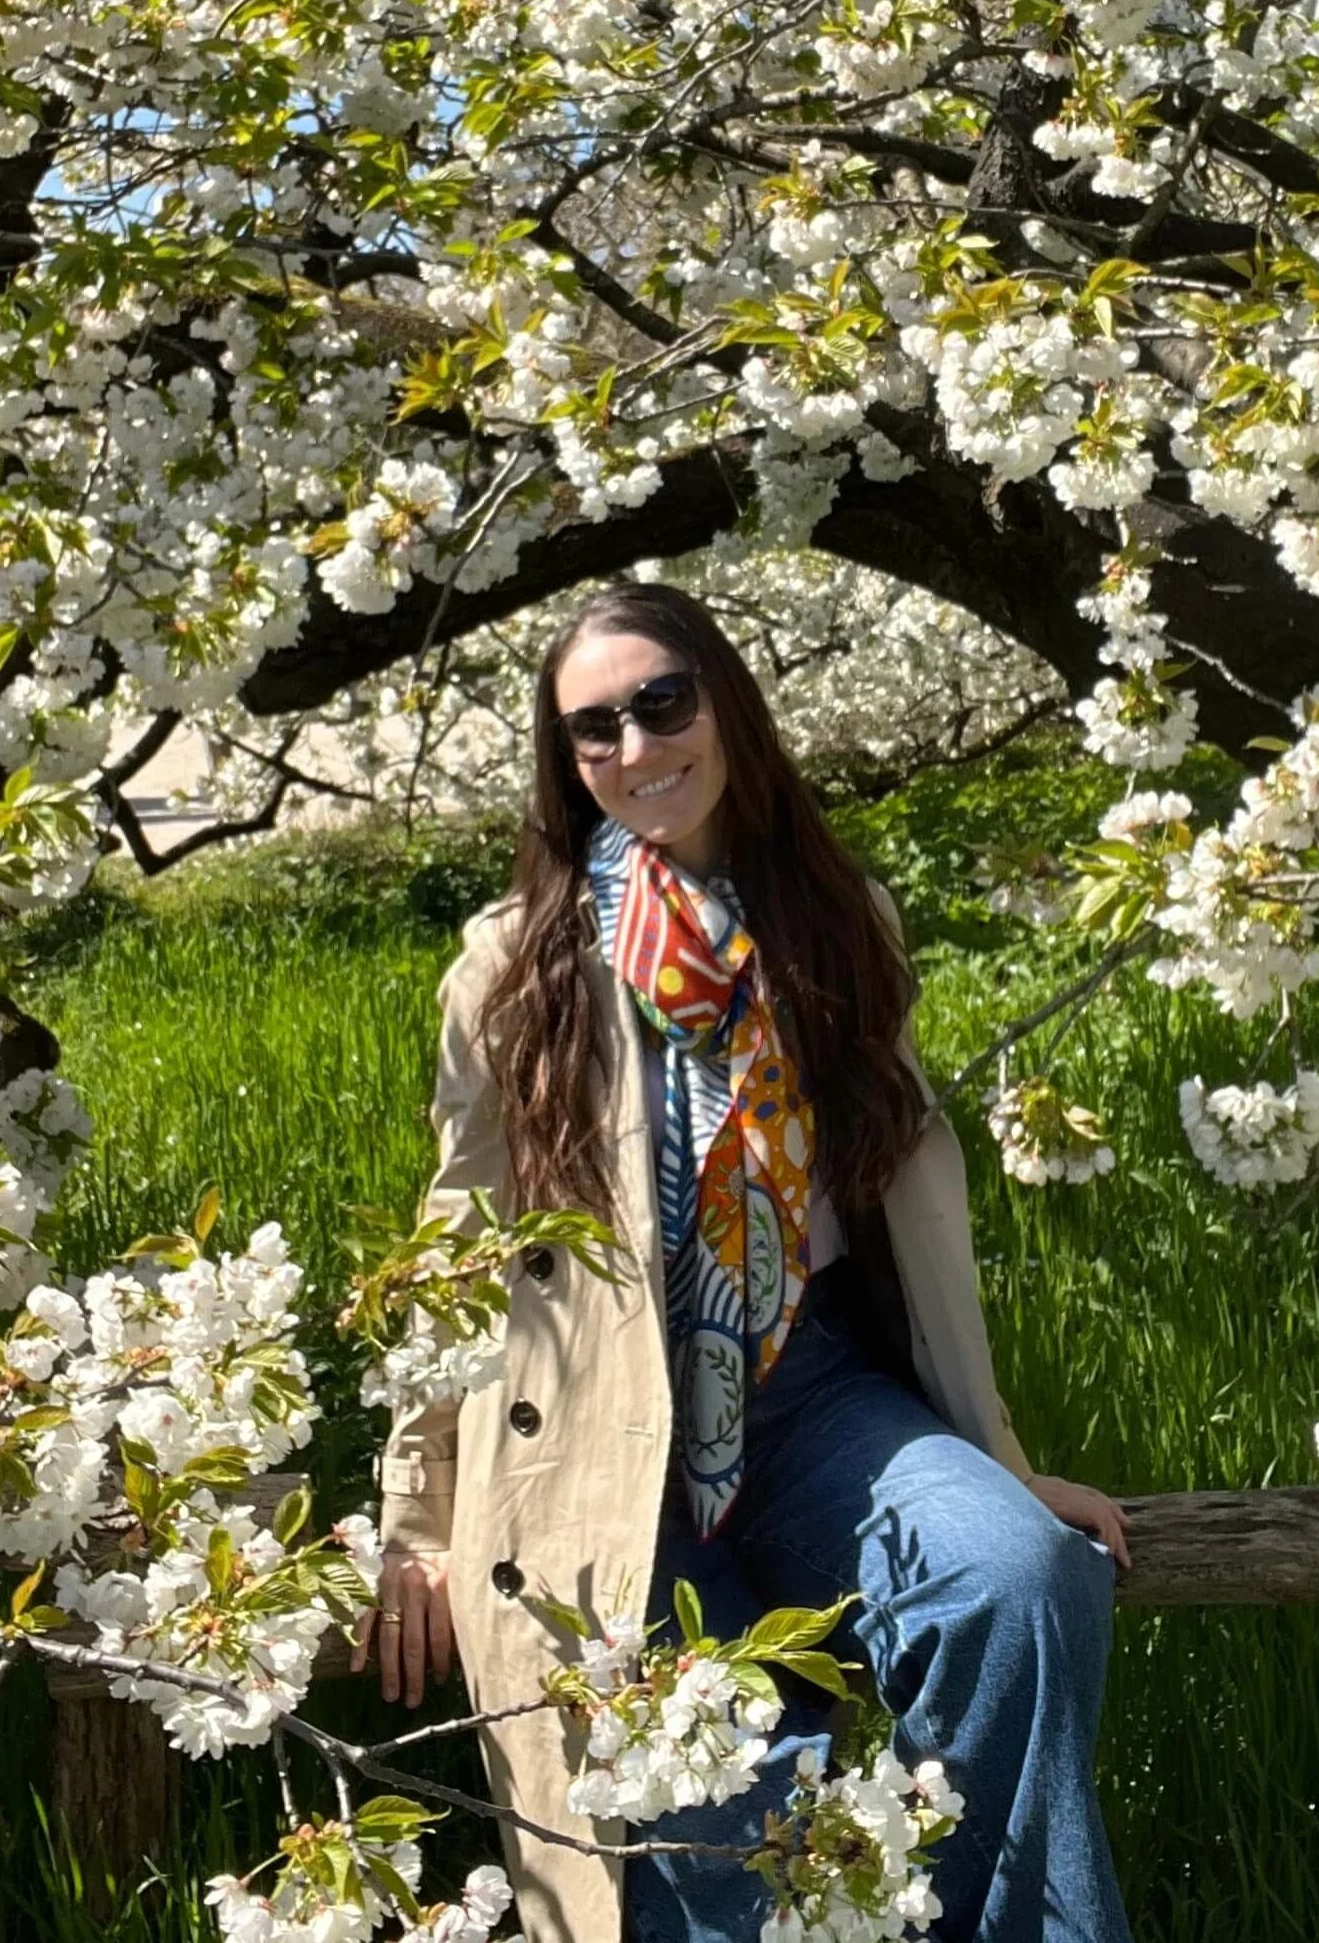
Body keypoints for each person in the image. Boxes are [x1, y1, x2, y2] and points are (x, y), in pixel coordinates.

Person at [357, 580, 1135, 1943]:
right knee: (720, 1786)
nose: (636, 749)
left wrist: (1000, 1464)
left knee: (1018, 1576)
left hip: (815, 1387)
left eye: (662, 703)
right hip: (603, 1426)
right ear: (566, 763)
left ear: (726, 706)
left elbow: (906, 1229)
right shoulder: (518, 968)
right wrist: (418, 1514)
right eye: (594, 730)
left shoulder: (834, 920)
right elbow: (455, 1255)